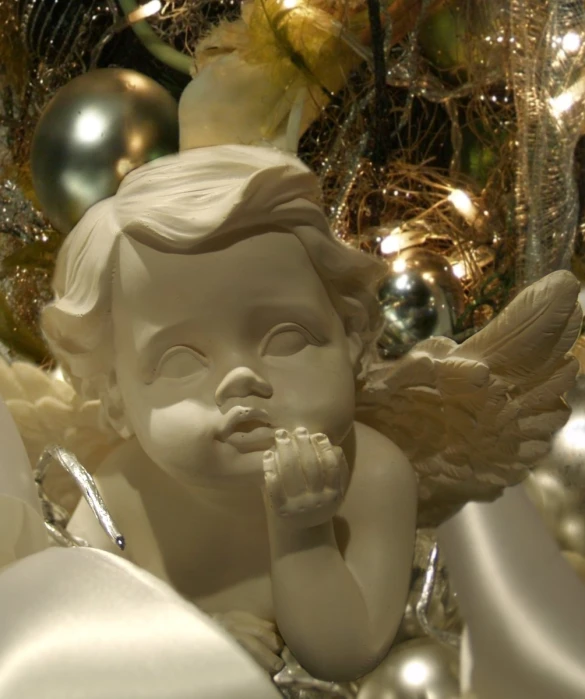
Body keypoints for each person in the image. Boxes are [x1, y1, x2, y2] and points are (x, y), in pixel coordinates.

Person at [42, 143, 419, 682]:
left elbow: (343, 653)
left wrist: (304, 531)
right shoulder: (124, 489)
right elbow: (75, 640)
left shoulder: (372, 473)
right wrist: (192, 645)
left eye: (286, 339)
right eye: (179, 360)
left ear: (353, 340)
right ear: (117, 395)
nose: (241, 379)